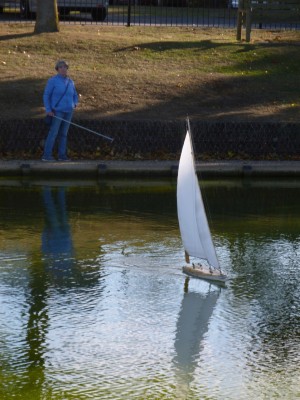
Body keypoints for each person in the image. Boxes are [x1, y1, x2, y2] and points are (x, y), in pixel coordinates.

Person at [42, 60, 78, 162]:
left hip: (69, 111)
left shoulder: (71, 82)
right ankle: (46, 155)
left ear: (67, 69)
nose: (63, 69)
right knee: (53, 132)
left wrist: (74, 103)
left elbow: (75, 95)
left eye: (65, 67)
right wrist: (48, 109)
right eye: (61, 67)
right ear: (57, 69)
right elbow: (46, 95)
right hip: (57, 111)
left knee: (64, 134)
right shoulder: (52, 81)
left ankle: (62, 156)